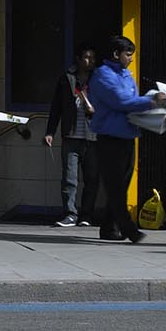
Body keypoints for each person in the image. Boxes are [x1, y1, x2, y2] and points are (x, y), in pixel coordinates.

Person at [83, 33, 164, 243]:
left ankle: (110, 228)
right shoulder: (103, 75)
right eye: (127, 55)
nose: (130, 59)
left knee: (121, 185)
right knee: (116, 186)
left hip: (128, 136)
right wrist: (151, 101)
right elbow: (121, 101)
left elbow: (132, 100)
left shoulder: (126, 75)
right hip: (109, 138)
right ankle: (130, 230)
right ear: (115, 54)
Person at [43, 39, 97, 229]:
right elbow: (56, 107)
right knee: (69, 178)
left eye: (92, 58)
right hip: (71, 135)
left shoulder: (98, 79)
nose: (89, 61)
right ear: (78, 59)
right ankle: (70, 213)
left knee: (91, 178)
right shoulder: (67, 78)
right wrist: (50, 131)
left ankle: (87, 215)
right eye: (86, 58)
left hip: (92, 137)